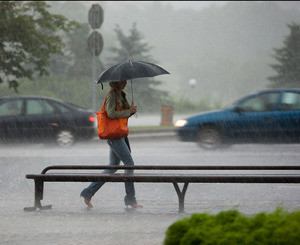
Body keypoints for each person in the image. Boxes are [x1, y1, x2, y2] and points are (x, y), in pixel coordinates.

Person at [80, 80, 143, 209]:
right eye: (122, 81)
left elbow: (121, 117)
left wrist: (131, 112)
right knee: (129, 164)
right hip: (115, 136)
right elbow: (110, 113)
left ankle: (88, 192)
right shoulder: (112, 95)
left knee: (112, 167)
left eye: (126, 80)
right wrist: (127, 112)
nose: (125, 82)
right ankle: (130, 199)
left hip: (120, 135)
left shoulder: (121, 94)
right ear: (116, 82)